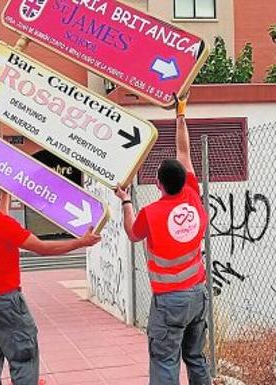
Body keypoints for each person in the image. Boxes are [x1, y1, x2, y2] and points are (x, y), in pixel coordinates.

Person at [0, 172, 101, 385]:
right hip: (4, 301)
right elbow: (42, 248)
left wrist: (5, 195)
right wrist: (81, 243)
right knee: (23, 357)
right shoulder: (1, 224)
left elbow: (0, 220)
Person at [114, 94, 211, 385]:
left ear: (158, 183)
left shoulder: (152, 214)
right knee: (195, 358)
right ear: (183, 180)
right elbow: (185, 152)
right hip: (198, 294)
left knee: (165, 362)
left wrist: (126, 201)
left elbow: (132, 233)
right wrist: (180, 114)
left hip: (170, 301)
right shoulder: (192, 196)